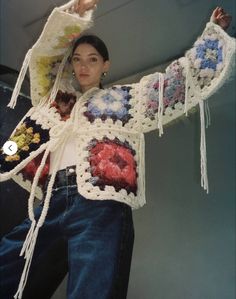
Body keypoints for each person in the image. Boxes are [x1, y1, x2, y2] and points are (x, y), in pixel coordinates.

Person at [0, 1, 234, 298]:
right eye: (78, 59)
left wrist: (212, 36)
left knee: (93, 290)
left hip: (100, 205)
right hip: (51, 201)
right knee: (8, 270)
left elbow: (173, 85)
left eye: (93, 59)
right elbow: (43, 59)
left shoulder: (124, 101)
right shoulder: (56, 99)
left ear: (105, 66)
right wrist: (74, 15)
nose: (83, 66)